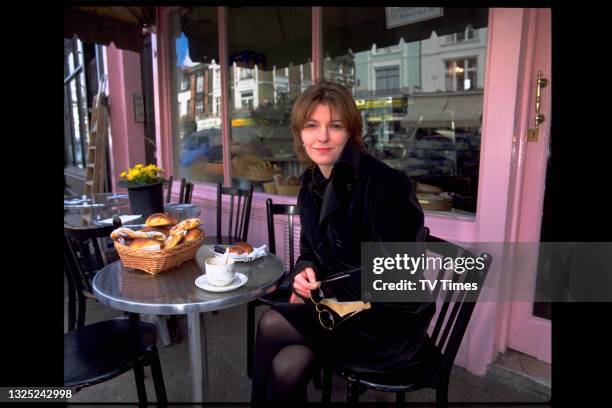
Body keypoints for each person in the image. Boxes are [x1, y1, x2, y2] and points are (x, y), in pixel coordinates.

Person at [251, 80, 435, 404]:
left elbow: (400, 277)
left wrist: (326, 291)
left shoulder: (385, 184)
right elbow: (310, 249)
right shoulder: (310, 183)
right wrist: (304, 273)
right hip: (339, 310)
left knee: (271, 321)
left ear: (350, 131)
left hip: (385, 325)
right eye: (312, 126)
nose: (322, 137)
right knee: (287, 364)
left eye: (334, 126)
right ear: (300, 133)